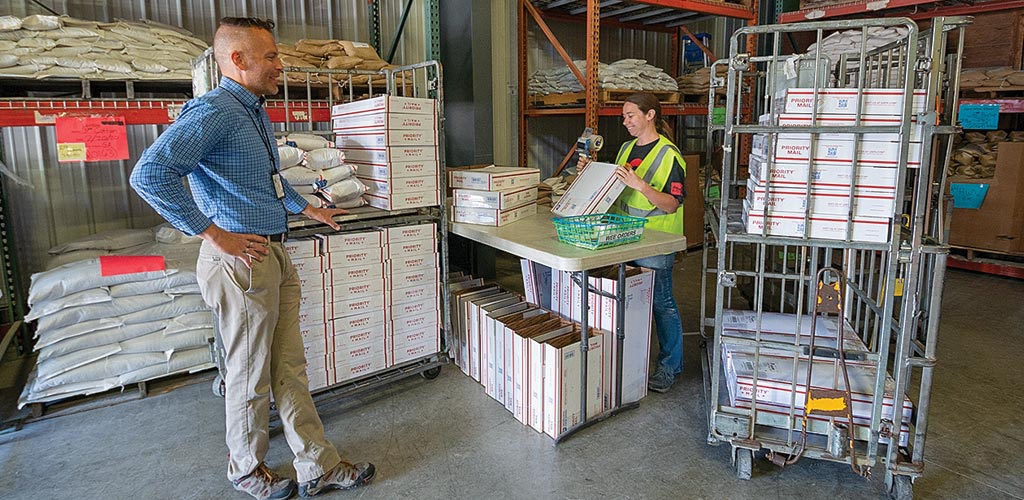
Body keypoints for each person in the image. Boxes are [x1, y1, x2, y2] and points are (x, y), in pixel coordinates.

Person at [130, 17, 374, 500]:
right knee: (248, 370)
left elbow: (267, 181)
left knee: (288, 366)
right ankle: (245, 469)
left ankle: (316, 465)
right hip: (240, 261)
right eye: (271, 57)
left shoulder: (254, 111)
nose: (280, 66)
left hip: (271, 252)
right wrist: (215, 234)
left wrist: (305, 208)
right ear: (237, 60)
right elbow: (150, 174)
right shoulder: (213, 112)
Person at [578, 92, 687, 393]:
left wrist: (640, 184)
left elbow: (671, 204)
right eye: (624, 116)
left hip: (655, 241)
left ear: (650, 115)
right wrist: (589, 173)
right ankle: (629, 362)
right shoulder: (626, 149)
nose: (625, 122)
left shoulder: (670, 155)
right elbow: (614, 189)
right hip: (624, 237)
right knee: (630, 303)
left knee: (661, 304)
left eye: (630, 115)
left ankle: (669, 366)